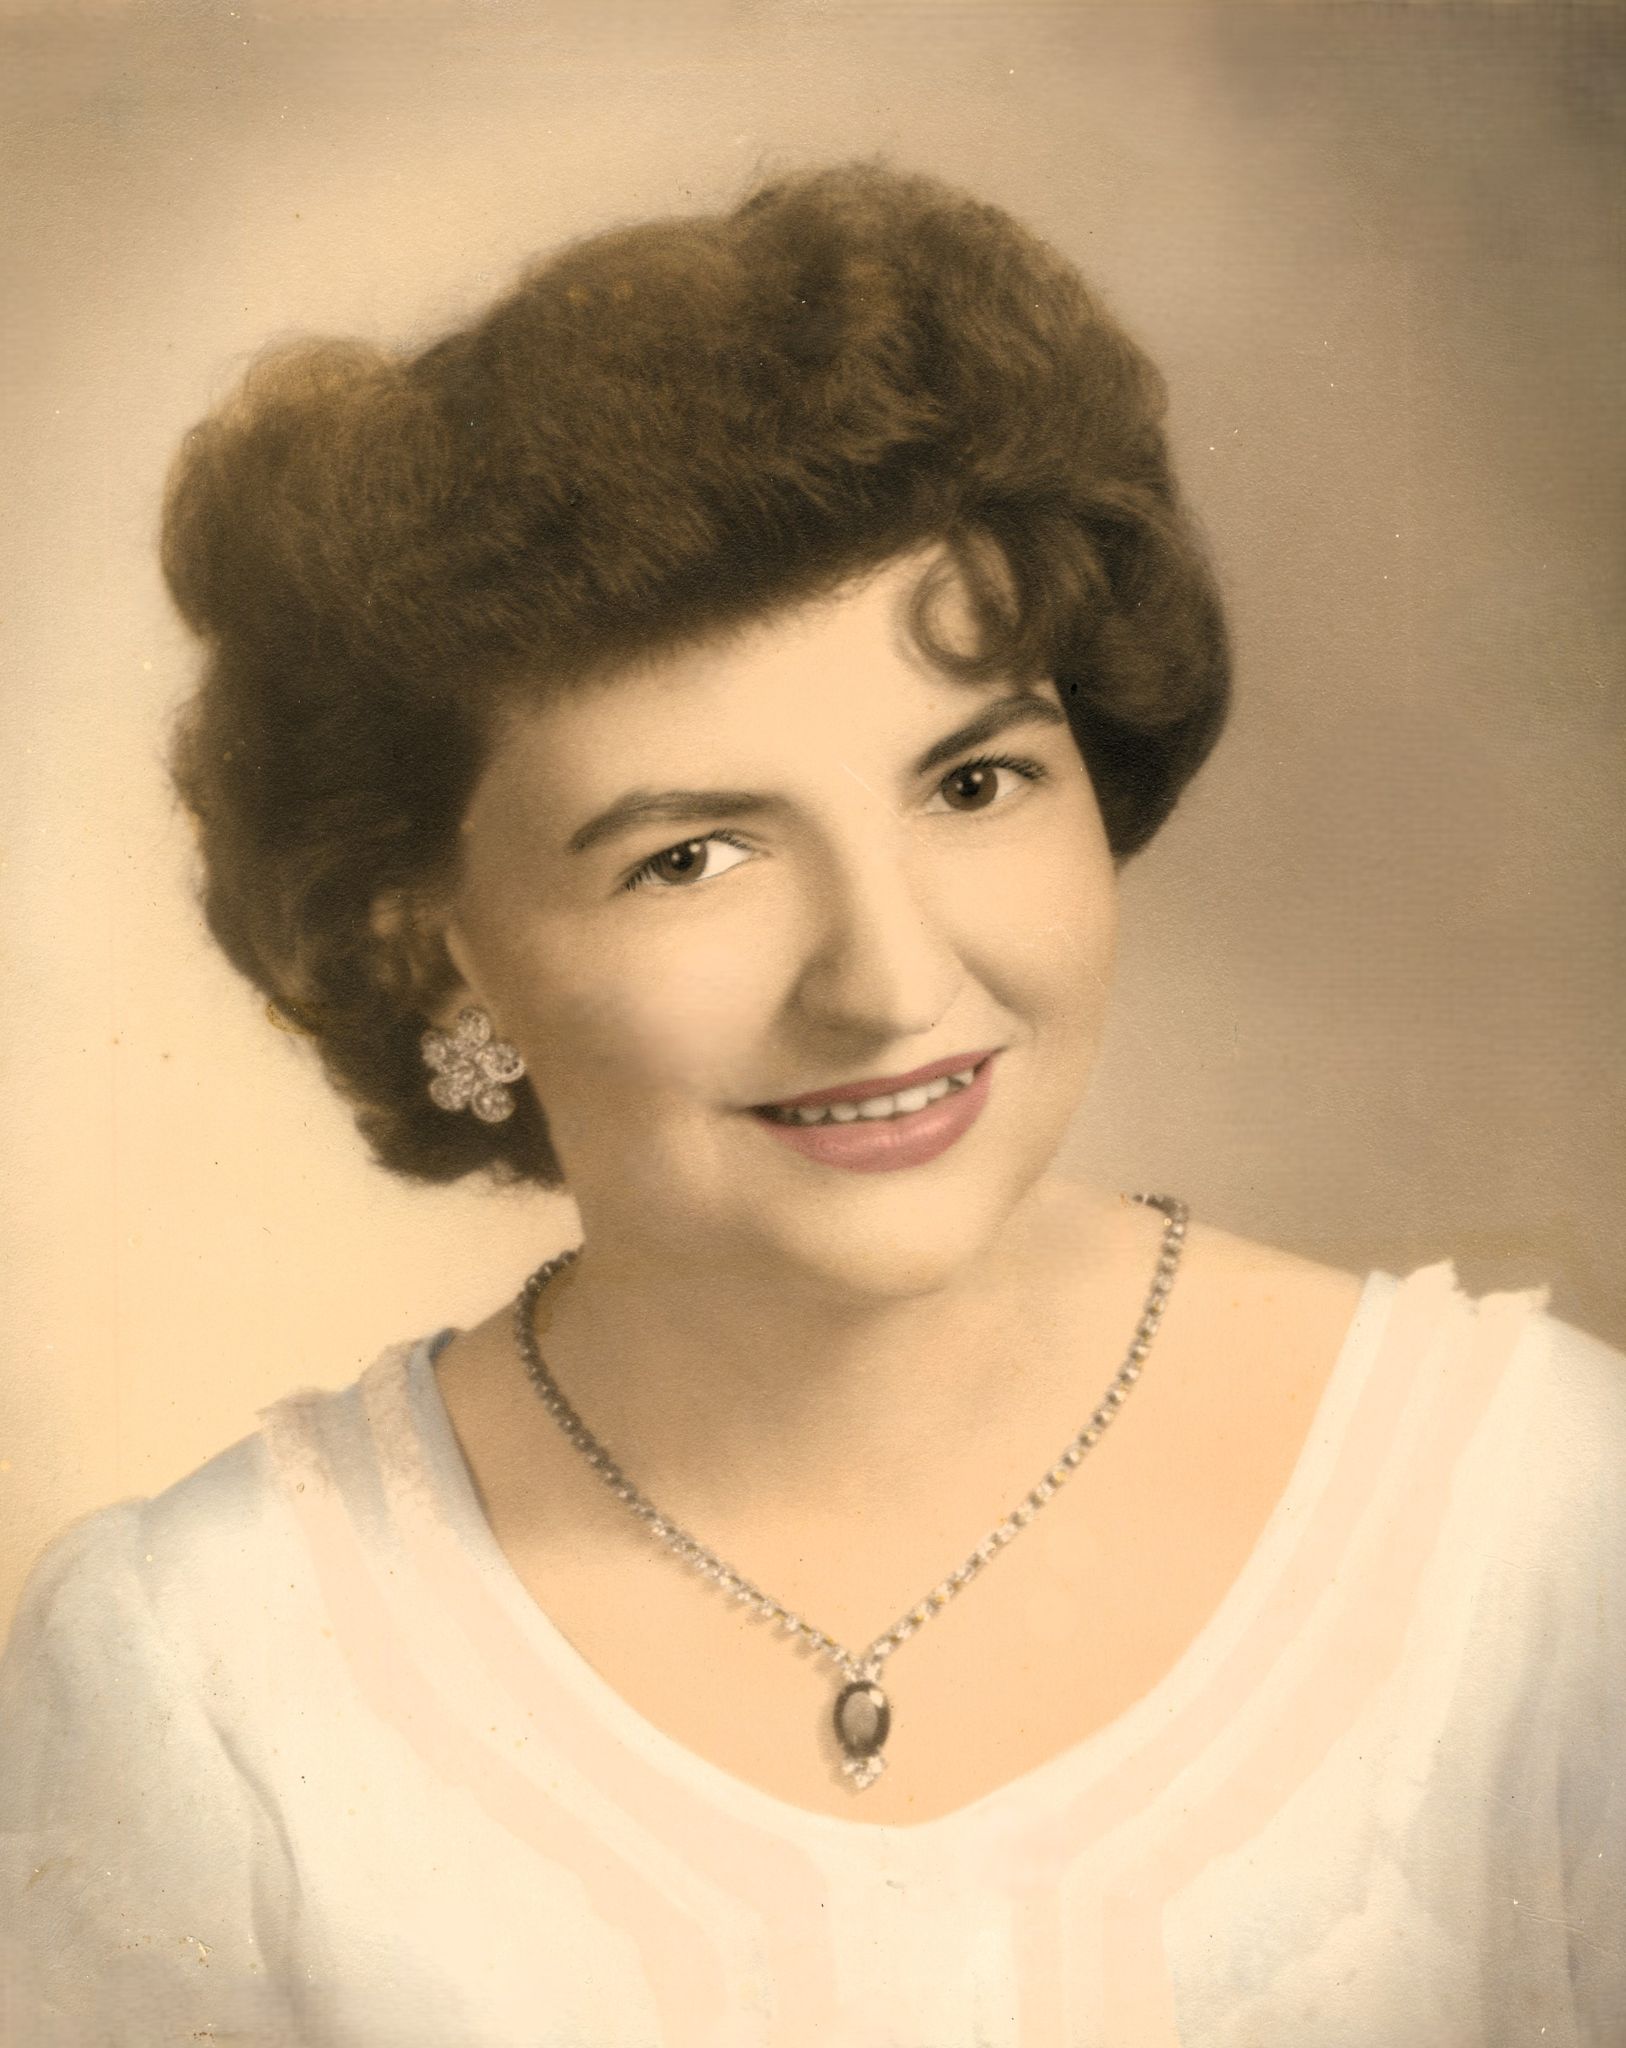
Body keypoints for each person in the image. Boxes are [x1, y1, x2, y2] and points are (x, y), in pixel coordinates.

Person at [0, 162, 1619, 2048]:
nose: (889, 979)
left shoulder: (1542, 1523)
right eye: (691, 855)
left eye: (971, 785)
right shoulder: (207, 1674)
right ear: (427, 949)